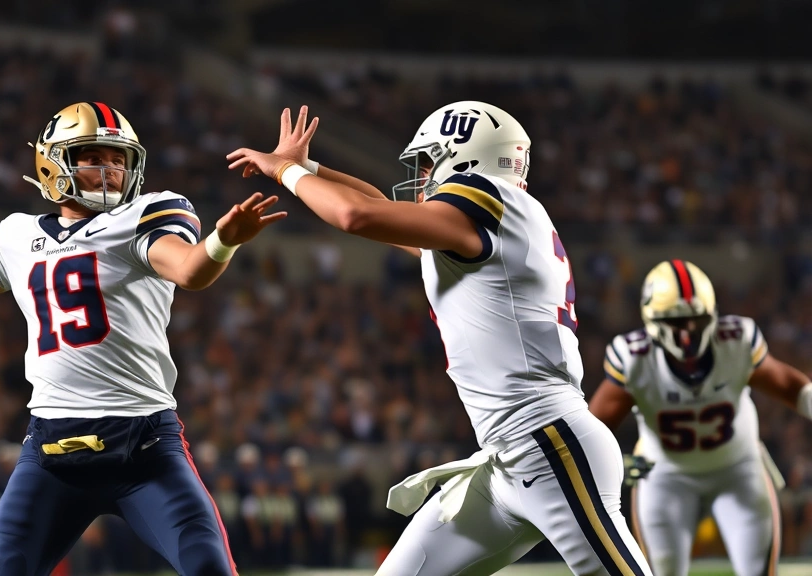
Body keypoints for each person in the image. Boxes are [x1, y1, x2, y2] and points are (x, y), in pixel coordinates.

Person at [227, 103, 652, 575]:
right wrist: (310, 168)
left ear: (465, 159)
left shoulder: (486, 199)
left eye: (430, 161)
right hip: (507, 462)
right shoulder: (496, 217)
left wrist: (283, 170)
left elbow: (355, 216)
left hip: (549, 446)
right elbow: (381, 212)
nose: (423, 174)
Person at [0, 101, 286, 576]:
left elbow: (190, 270)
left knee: (210, 568)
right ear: (52, 162)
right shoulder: (21, 235)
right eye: (94, 157)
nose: (110, 169)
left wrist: (223, 241)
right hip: (51, 453)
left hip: (144, 450)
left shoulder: (143, 217)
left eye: (118, 158)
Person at [589, 260, 812, 576]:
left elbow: (789, 387)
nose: (687, 335)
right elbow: (589, 432)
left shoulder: (736, 341)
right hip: (666, 477)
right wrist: (614, 462)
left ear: (712, 314)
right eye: (675, 322)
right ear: (651, 321)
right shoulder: (635, 358)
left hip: (738, 470)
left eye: (696, 320)